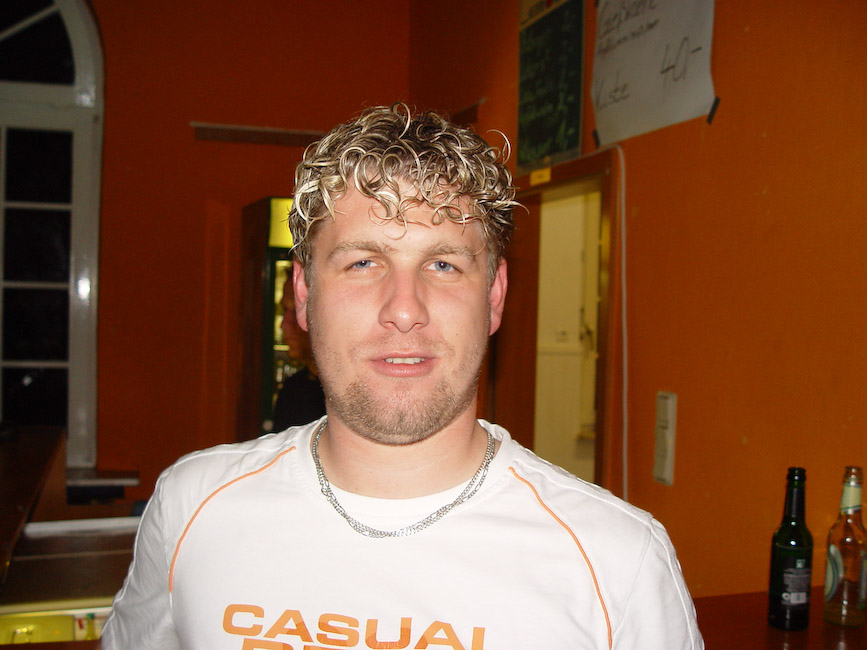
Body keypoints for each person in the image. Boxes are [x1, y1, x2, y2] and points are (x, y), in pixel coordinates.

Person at [102, 104, 703, 649]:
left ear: (494, 297)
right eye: (364, 262)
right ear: (304, 295)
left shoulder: (618, 564)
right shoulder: (192, 511)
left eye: (443, 265)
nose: (405, 309)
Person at [271, 274, 326, 430]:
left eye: (296, 310)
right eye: (284, 311)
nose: (284, 325)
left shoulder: (351, 393)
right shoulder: (292, 391)